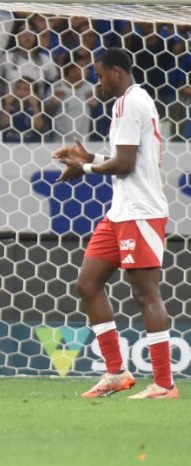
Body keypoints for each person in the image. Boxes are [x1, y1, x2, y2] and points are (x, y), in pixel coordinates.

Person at [54, 48, 177, 399]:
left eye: (101, 74)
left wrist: (86, 168)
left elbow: (123, 164)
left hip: (141, 211)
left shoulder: (127, 103)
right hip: (120, 211)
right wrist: (89, 157)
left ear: (117, 72)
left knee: (145, 294)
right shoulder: (134, 101)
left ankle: (164, 384)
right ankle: (115, 373)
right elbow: (128, 158)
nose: (98, 80)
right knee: (87, 284)